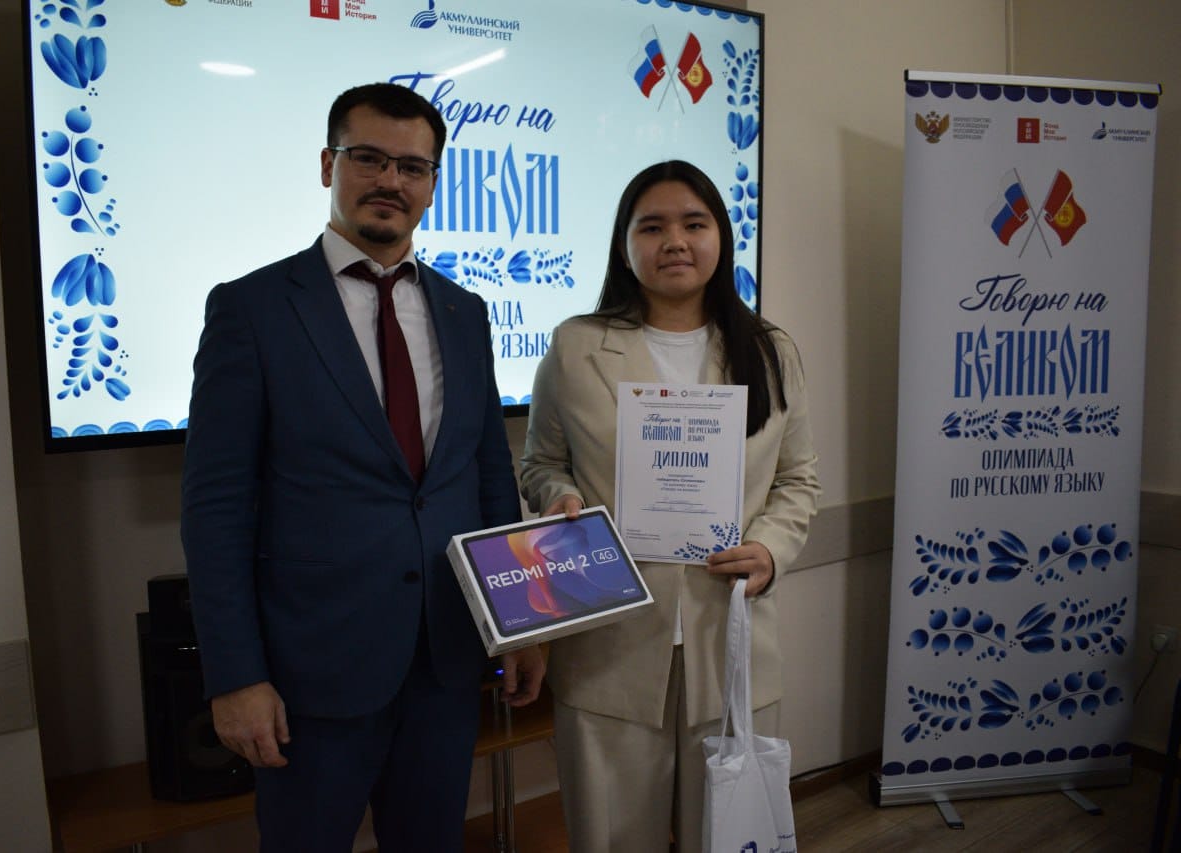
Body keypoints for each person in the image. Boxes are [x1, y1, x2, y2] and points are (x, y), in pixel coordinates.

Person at [180, 82, 545, 852]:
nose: (391, 181)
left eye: (413, 167)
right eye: (369, 158)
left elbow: (489, 476)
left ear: (433, 184)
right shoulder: (252, 309)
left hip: (445, 662)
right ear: (328, 165)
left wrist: (519, 623)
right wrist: (235, 675)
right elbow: (216, 509)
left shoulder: (465, 312)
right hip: (312, 674)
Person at [519, 160, 820, 852]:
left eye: (694, 223)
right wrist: (559, 497)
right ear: (625, 244)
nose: (675, 241)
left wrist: (770, 548)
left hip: (731, 636)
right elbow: (541, 462)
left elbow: (799, 477)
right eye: (652, 227)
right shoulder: (575, 345)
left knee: (725, 835)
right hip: (609, 639)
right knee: (612, 835)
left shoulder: (770, 350)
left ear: (721, 237)